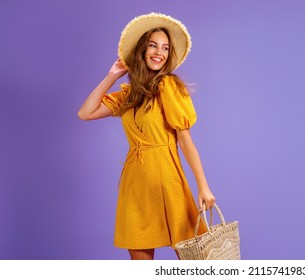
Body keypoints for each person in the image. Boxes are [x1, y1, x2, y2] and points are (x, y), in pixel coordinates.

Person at [77, 13, 215, 260]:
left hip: (167, 178)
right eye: (153, 45)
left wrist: (203, 186)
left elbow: (186, 141)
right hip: (136, 184)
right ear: (142, 50)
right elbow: (85, 113)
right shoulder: (128, 95)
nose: (158, 52)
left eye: (165, 48)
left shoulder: (169, 86)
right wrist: (112, 75)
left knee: (195, 262)